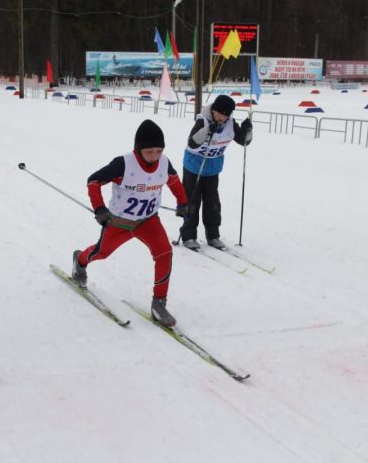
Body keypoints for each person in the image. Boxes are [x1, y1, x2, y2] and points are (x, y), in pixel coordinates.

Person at [72, 119, 188, 327]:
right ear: (138, 149)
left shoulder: (164, 162)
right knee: (102, 253)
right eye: (149, 152)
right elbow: (93, 181)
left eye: (158, 151)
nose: (154, 156)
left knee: (165, 253)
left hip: (148, 220)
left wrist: (183, 202)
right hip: (119, 223)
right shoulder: (123, 164)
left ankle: (158, 304)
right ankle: (80, 261)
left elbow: (173, 181)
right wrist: (99, 208)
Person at [179, 94, 253, 251]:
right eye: (220, 114)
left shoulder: (229, 123)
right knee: (192, 201)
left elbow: (243, 141)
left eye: (226, 115)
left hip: (213, 168)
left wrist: (248, 130)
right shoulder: (203, 120)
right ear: (214, 110)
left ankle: (213, 235)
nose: (223, 118)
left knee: (212, 203)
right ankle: (189, 235)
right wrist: (208, 130)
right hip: (194, 167)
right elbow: (192, 142)